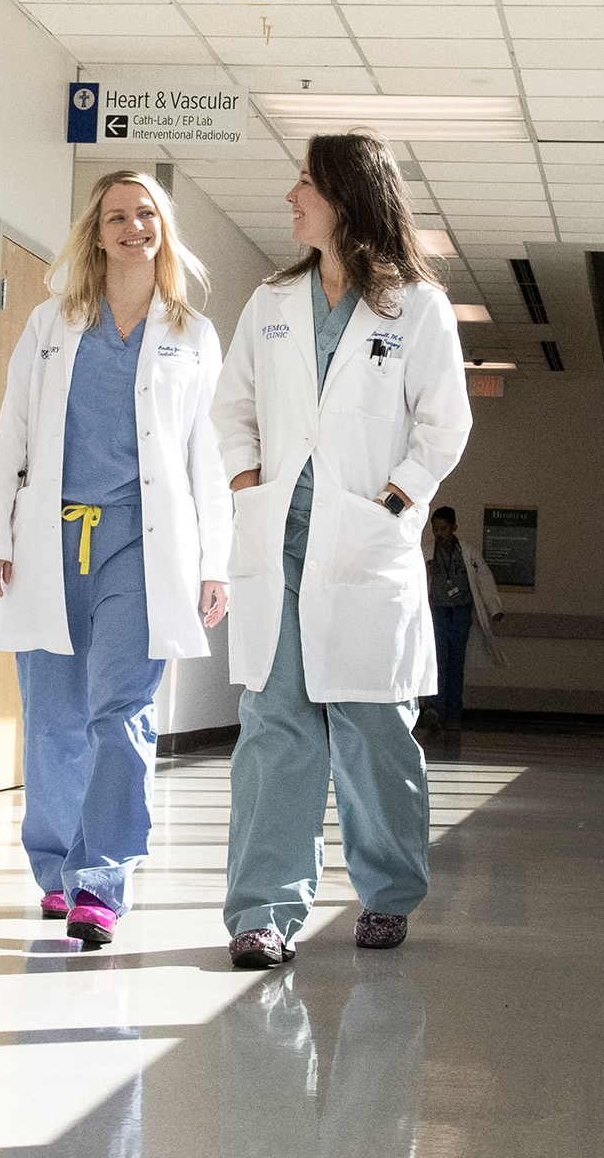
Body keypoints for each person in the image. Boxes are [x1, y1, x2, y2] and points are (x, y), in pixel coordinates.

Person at [212, 130, 471, 969]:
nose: (290, 199)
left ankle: (389, 890)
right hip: (279, 543)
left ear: (347, 199)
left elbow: (445, 422)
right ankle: (263, 910)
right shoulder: (271, 304)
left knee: (373, 729)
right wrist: (248, 483)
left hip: (362, 545)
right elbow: (232, 408)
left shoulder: (417, 308)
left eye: (305, 185)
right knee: (274, 728)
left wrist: (396, 501)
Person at [0, 170, 231, 947]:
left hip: (140, 544)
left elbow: (208, 457)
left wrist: (214, 561)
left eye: (145, 214)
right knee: (53, 720)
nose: (132, 228)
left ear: (164, 228)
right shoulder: (52, 322)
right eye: (116, 216)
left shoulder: (192, 334)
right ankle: (57, 867)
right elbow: (12, 431)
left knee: (119, 713)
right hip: (49, 540)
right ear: (95, 231)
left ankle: (102, 879)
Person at [418, 506, 505, 738]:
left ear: (454, 527)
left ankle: (453, 715)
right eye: (435, 528)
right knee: (438, 662)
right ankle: (434, 711)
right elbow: (413, 581)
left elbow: (484, 579)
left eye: (443, 528)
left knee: (456, 665)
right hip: (436, 613)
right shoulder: (425, 553)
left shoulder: (469, 553)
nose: (439, 533)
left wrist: (494, 608)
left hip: (461, 613)